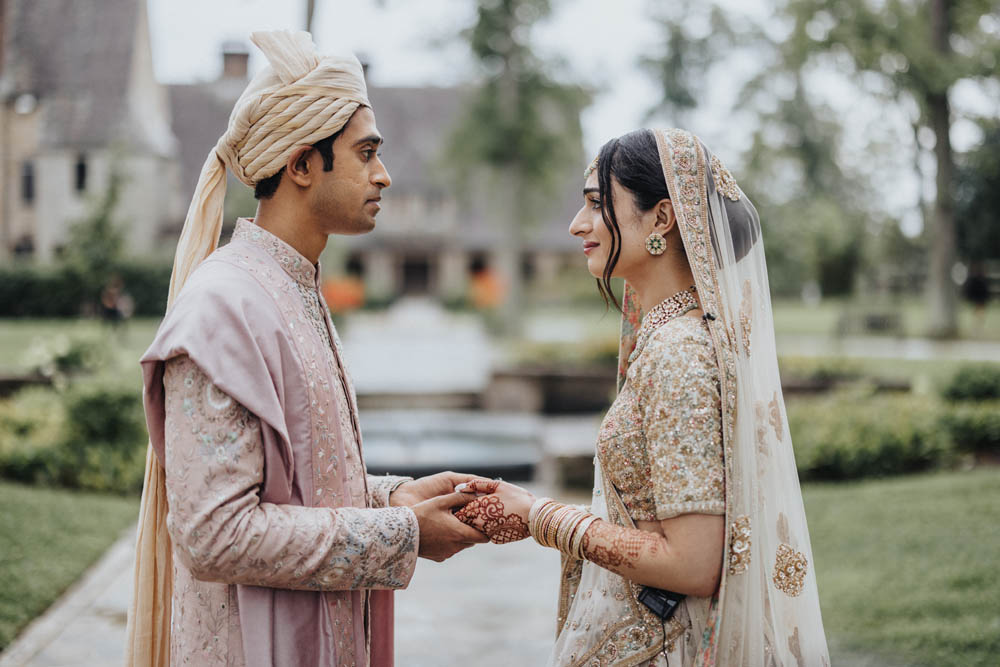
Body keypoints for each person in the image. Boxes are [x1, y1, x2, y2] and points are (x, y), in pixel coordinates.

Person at [126, 31, 488, 667]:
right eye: (365, 153)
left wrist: (393, 498)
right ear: (300, 165)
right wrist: (402, 535)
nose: (384, 174)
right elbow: (214, 534)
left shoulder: (291, 289)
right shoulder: (223, 308)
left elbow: (298, 485)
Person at [457, 128, 830, 665]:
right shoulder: (668, 338)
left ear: (661, 218)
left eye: (595, 204)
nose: (576, 224)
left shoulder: (679, 352)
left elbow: (693, 565)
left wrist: (540, 515)